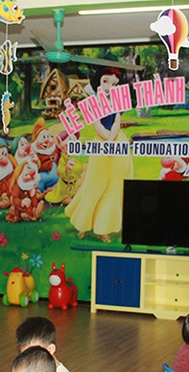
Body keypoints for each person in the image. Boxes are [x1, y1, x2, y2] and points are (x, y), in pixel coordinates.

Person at [65, 65, 134, 243]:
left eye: (114, 84)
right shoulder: (92, 103)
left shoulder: (117, 102)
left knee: (115, 185)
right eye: (105, 82)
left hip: (118, 142)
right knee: (95, 183)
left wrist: (112, 139)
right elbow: (97, 125)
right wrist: (108, 140)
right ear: (98, 83)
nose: (109, 87)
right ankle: (84, 224)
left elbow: (117, 122)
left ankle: (103, 227)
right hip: (102, 144)